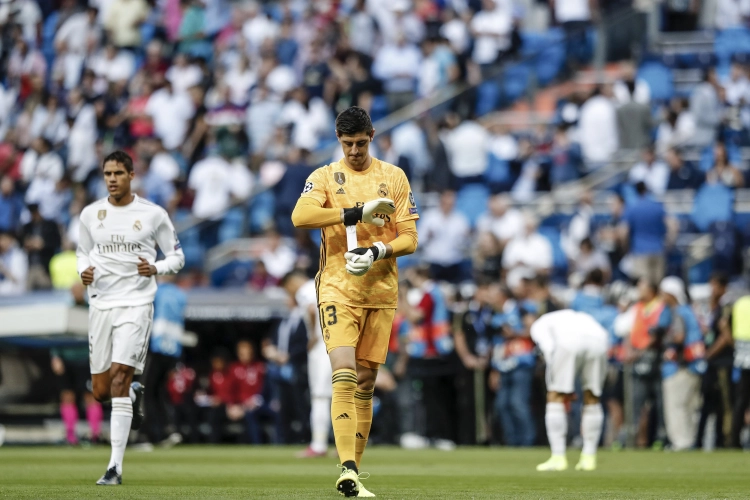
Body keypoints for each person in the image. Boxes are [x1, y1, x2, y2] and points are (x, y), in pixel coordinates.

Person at [291, 106, 419, 497]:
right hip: (337, 288)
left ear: (372, 136)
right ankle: (345, 467)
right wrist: (354, 213)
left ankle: (354, 472)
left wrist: (378, 251)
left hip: (380, 292)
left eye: (361, 143)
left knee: (365, 383)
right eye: (347, 143)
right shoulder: (325, 176)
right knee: (343, 372)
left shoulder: (393, 177)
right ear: (337, 138)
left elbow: (410, 238)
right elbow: (300, 216)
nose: (354, 151)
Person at [76, 150, 185, 485]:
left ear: (131, 175)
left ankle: (114, 467)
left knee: (120, 378)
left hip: (136, 304)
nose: (112, 178)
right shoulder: (90, 214)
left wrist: (156, 267)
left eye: (118, 173)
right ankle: (134, 395)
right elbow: (82, 252)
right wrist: (84, 271)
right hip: (101, 305)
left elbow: (177, 257)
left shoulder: (152, 215)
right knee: (101, 390)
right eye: (107, 173)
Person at [531, 310, 609, 472]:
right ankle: (589, 458)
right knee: (592, 396)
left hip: (569, 342)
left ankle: (558, 457)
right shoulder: (581, 316)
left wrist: (558, 385)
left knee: (555, 396)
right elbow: (603, 334)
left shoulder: (538, 324)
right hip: (599, 342)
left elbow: (549, 348)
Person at [281, 270, 333, 458]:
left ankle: (318, 445)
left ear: (292, 283)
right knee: (340, 396)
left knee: (320, 397)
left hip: (321, 348)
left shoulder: (305, 289)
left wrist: (312, 334)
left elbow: (311, 309)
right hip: (338, 345)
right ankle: (346, 445)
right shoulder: (324, 284)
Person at [657, 276, 705, 451]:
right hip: (696, 365)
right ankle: (689, 441)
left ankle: (680, 442)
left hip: (680, 366)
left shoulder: (678, 312)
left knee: (676, 405)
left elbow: (679, 337)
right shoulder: (690, 310)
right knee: (690, 407)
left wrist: (664, 341)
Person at [142, 274, 187, 446]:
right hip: (173, 349)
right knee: (160, 391)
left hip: (157, 346)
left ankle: (149, 435)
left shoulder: (156, 291)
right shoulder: (180, 294)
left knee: (146, 391)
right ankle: (169, 429)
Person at [695, 272, 734, 449]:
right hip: (713, 363)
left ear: (723, 288)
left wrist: (709, 353)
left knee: (725, 403)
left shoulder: (727, 307)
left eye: (715, 285)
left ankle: (726, 439)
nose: (712, 289)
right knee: (708, 402)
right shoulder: (714, 307)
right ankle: (704, 440)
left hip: (723, 362)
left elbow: (725, 337)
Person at [621, 182, 667, 283]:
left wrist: (626, 249)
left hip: (640, 252)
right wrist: (668, 245)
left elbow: (623, 232)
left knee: (644, 286)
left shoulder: (632, 208)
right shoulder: (657, 206)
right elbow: (673, 226)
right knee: (657, 287)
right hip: (658, 250)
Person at [730, 294, 750, 448]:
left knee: (740, 402)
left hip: (742, 358)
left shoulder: (740, 303)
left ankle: (734, 442)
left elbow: (728, 327)